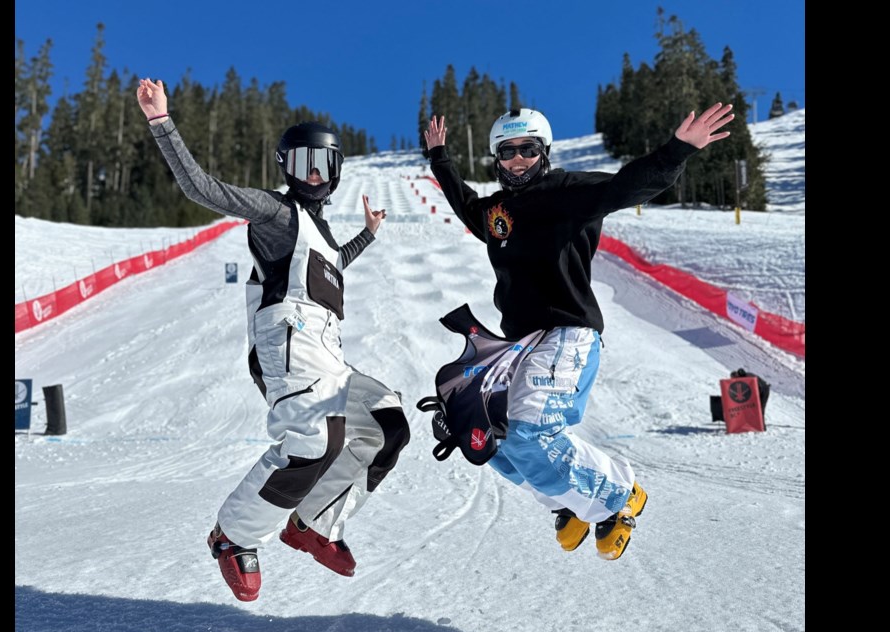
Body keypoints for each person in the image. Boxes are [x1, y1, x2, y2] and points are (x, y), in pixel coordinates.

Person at [137, 77, 411, 601]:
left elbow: (331, 262)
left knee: (387, 425)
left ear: (335, 173)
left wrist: (368, 235)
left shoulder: (323, 234)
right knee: (313, 443)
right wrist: (161, 122)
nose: (314, 173)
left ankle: (312, 524)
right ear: (286, 167)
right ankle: (234, 535)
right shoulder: (275, 212)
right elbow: (201, 188)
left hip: (328, 354)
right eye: (304, 162)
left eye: (324, 164)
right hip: (287, 345)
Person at [424, 102, 734, 560]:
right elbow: (468, 206)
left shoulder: (568, 191)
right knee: (491, 440)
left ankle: (618, 496)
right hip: (520, 345)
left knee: (531, 433)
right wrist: (440, 159)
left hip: (566, 330)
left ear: (544, 151)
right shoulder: (497, 212)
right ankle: (569, 504)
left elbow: (627, 186)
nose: (517, 160)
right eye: (507, 152)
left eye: (527, 149)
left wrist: (676, 151)